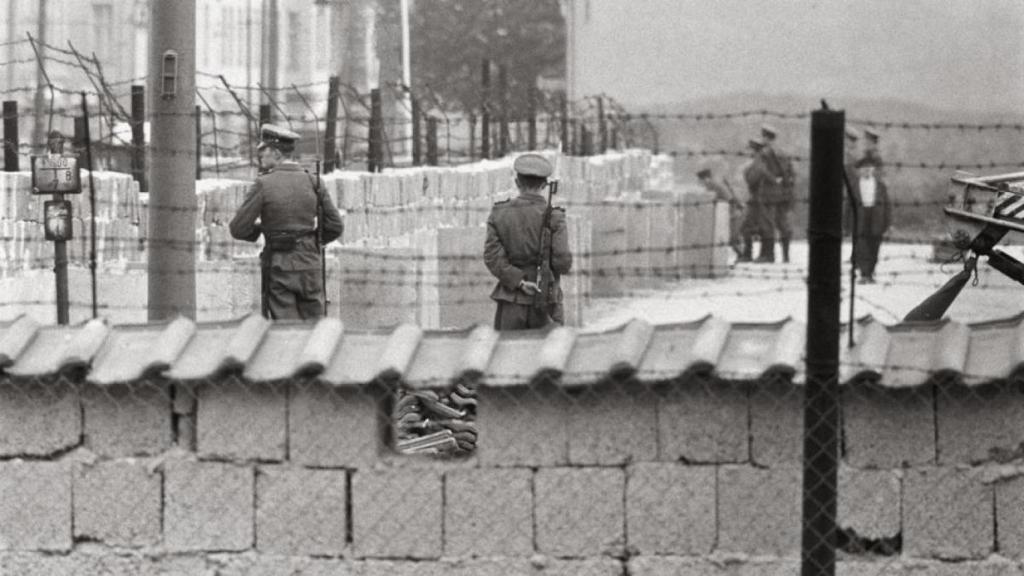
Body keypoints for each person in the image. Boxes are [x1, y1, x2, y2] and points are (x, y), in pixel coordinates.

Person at [230, 124, 345, 320]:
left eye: (263, 151)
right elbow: (335, 226)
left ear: (275, 153)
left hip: (278, 264)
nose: (260, 156)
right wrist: (311, 241)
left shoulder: (263, 184)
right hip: (310, 264)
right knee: (314, 329)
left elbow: (238, 228)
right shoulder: (314, 181)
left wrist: (260, 230)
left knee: (285, 331)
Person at [484, 153, 572, 330]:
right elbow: (563, 263)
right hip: (547, 298)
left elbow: (492, 257)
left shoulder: (499, 213)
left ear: (517, 183)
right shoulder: (555, 217)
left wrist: (520, 282)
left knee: (508, 354)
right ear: (544, 185)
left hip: (511, 298)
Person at [758, 124, 796, 263]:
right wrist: (787, 183)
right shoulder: (783, 152)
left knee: (767, 223)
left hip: (769, 192)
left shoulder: (765, 153)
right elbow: (792, 172)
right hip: (784, 193)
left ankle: (769, 255)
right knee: (783, 223)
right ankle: (786, 255)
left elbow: (762, 170)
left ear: (766, 138)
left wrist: (774, 180)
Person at [852, 155, 891, 283]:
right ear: (859, 170)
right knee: (862, 247)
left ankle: (871, 272)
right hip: (860, 217)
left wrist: (887, 223)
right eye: (864, 168)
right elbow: (848, 206)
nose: (867, 170)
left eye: (869, 168)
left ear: (873, 169)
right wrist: (847, 224)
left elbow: (887, 205)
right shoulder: (855, 186)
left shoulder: (880, 186)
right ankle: (864, 274)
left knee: (874, 246)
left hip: (876, 218)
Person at [697, 167, 744, 260]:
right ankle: (741, 256)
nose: (700, 183)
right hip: (726, 215)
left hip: (732, 214)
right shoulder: (710, 186)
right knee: (731, 238)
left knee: (733, 237)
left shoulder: (716, 186)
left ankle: (742, 255)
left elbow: (730, 198)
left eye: (701, 180)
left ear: (706, 179)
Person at [739, 138, 768, 262]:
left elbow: (751, 180)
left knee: (747, 227)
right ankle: (759, 254)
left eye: (750, 149)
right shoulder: (760, 162)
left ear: (754, 150)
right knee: (759, 227)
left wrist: (745, 171)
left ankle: (748, 254)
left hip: (757, 199)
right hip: (758, 199)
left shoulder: (758, 163)